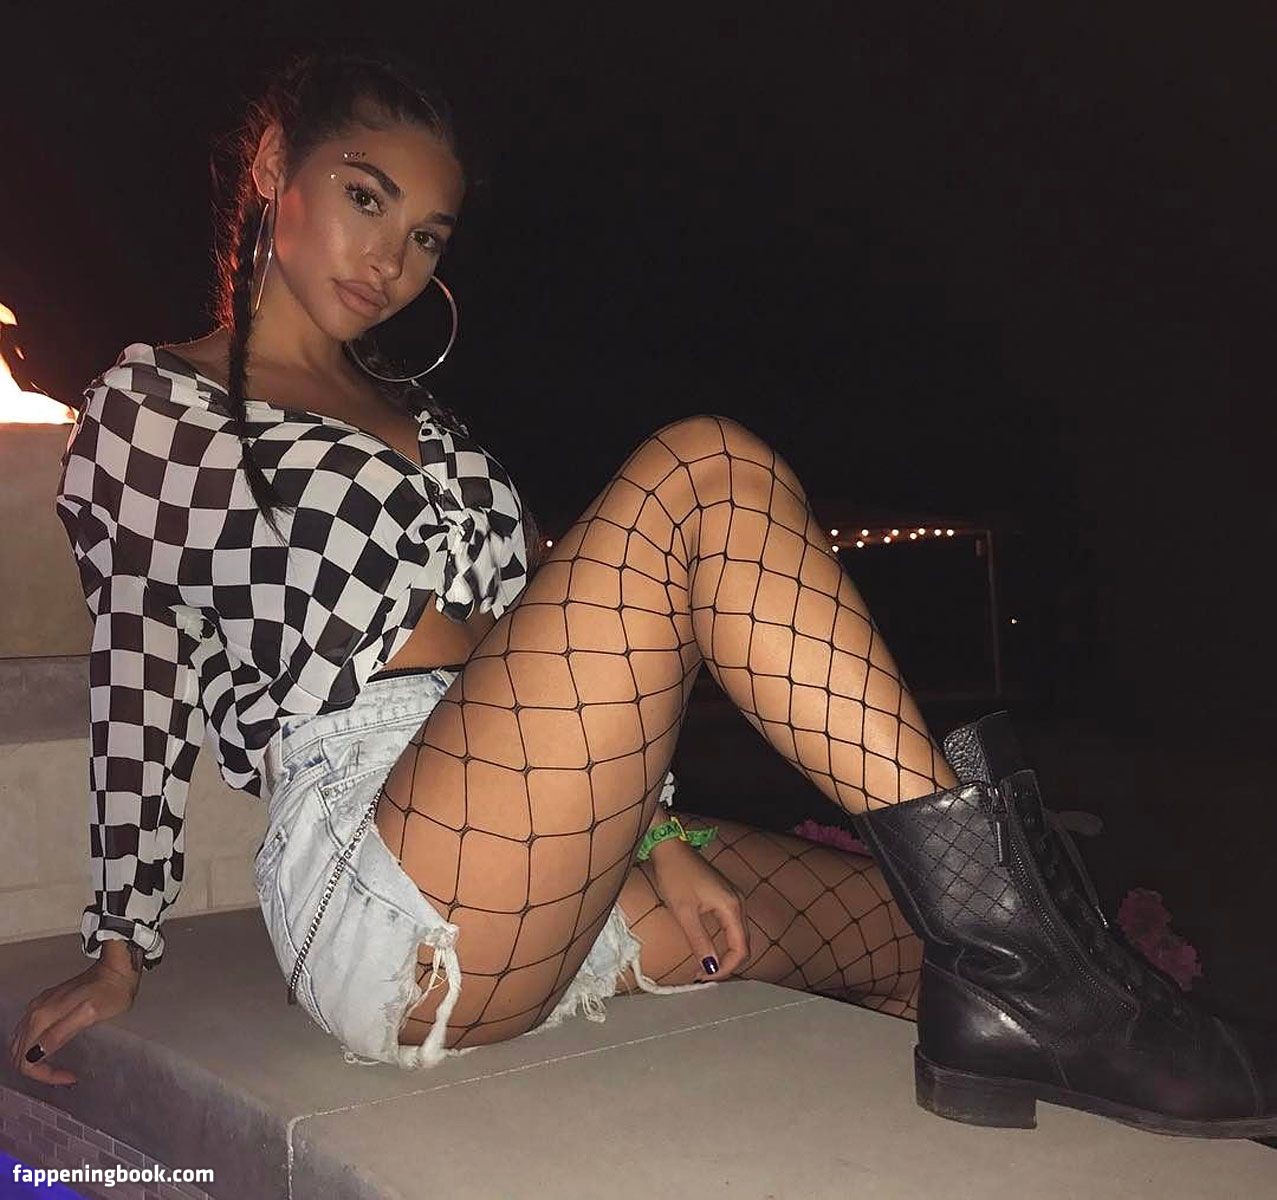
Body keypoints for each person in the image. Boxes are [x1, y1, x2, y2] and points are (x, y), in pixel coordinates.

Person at [9, 49, 1274, 1139]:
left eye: (428, 235)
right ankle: (1034, 946)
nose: (391, 257)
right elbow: (140, 675)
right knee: (704, 471)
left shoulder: (432, 426)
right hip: (381, 871)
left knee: (919, 943)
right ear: (272, 167)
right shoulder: (156, 404)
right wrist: (120, 947)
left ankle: (1034, 998)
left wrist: (655, 840)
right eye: (366, 197)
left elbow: (557, 655)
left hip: (548, 843)